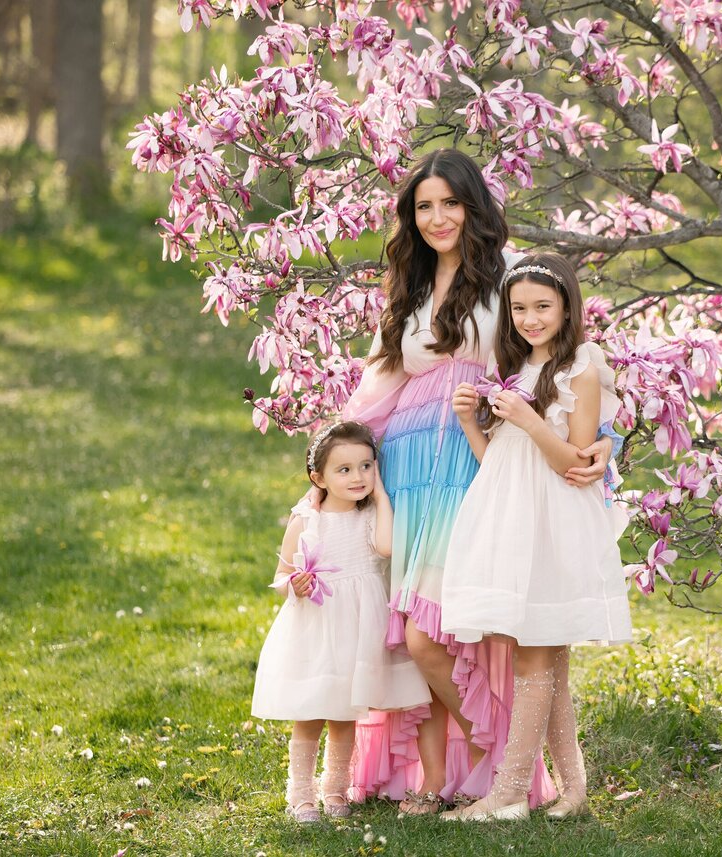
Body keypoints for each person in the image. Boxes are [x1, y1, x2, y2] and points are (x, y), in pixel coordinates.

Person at [342, 149, 616, 813]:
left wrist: (606, 443)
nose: (438, 218)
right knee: (411, 630)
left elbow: (560, 366)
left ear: (474, 205)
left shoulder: (507, 280)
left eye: (450, 203)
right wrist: (337, 455)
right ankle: (446, 775)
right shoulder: (407, 284)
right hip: (409, 468)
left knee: (451, 630)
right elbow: (380, 382)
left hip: (477, 464)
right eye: (424, 206)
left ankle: (506, 771)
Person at [439, 253, 633, 821]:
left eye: (542, 307)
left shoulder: (581, 369)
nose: (530, 318)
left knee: (533, 658)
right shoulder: (516, 369)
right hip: (511, 519)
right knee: (550, 662)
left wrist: (526, 419)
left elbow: (572, 462)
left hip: (555, 522)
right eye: (519, 308)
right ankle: (572, 791)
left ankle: (507, 795)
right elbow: (498, 461)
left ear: (567, 307)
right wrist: (474, 424)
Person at [251, 421, 431, 823]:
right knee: (311, 712)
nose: (358, 477)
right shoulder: (306, 520)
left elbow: (385, 547)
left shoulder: (370, 516)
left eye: (366, 466)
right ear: (319, 477)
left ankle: (334, 789)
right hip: (317, 628)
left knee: (345, 714)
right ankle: (300, 795)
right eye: (344, 470)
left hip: (358, 628)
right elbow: (281, 575)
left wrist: (382, 496)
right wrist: (293, 586)